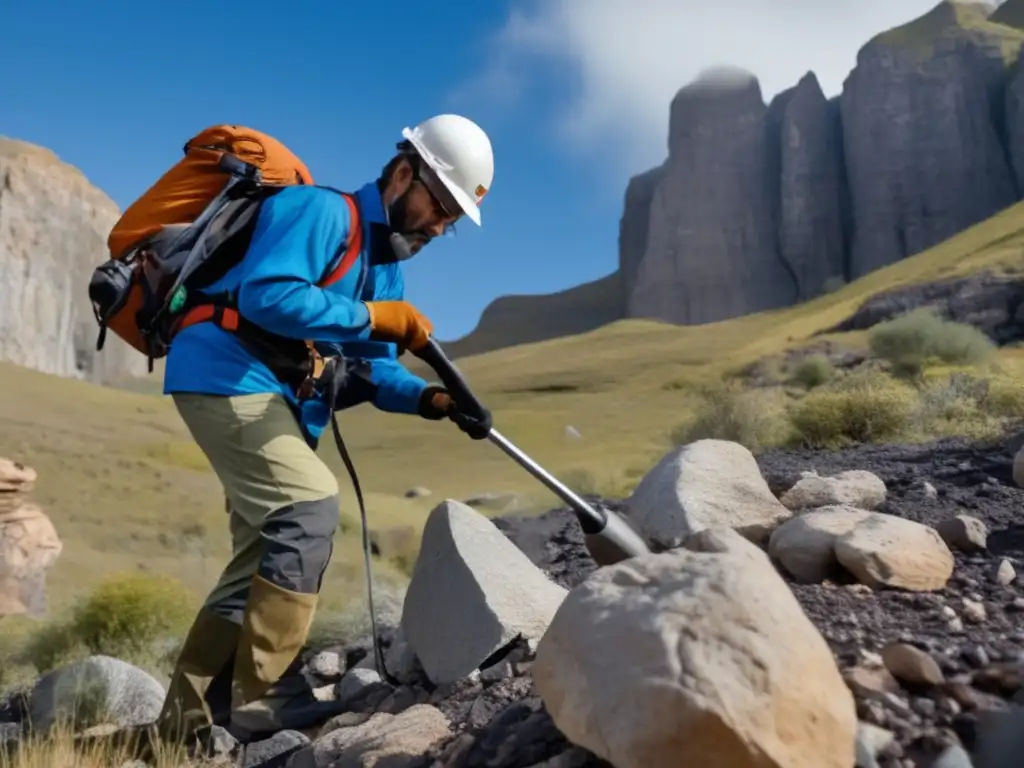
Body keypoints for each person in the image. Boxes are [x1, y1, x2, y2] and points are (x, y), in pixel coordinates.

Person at [154, 113, 495, 747]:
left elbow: (373, 368)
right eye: (439, 204)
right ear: (402, 173)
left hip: (270, 395)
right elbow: (266, 296)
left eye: (451, 219)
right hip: (224, 368)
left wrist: (433, 398)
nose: (440, 226)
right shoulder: (318, 212)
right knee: (307, 507)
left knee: (260, 555)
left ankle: (183, 726)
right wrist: (370, 314)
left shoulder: (386, 270)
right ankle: (266, 696)